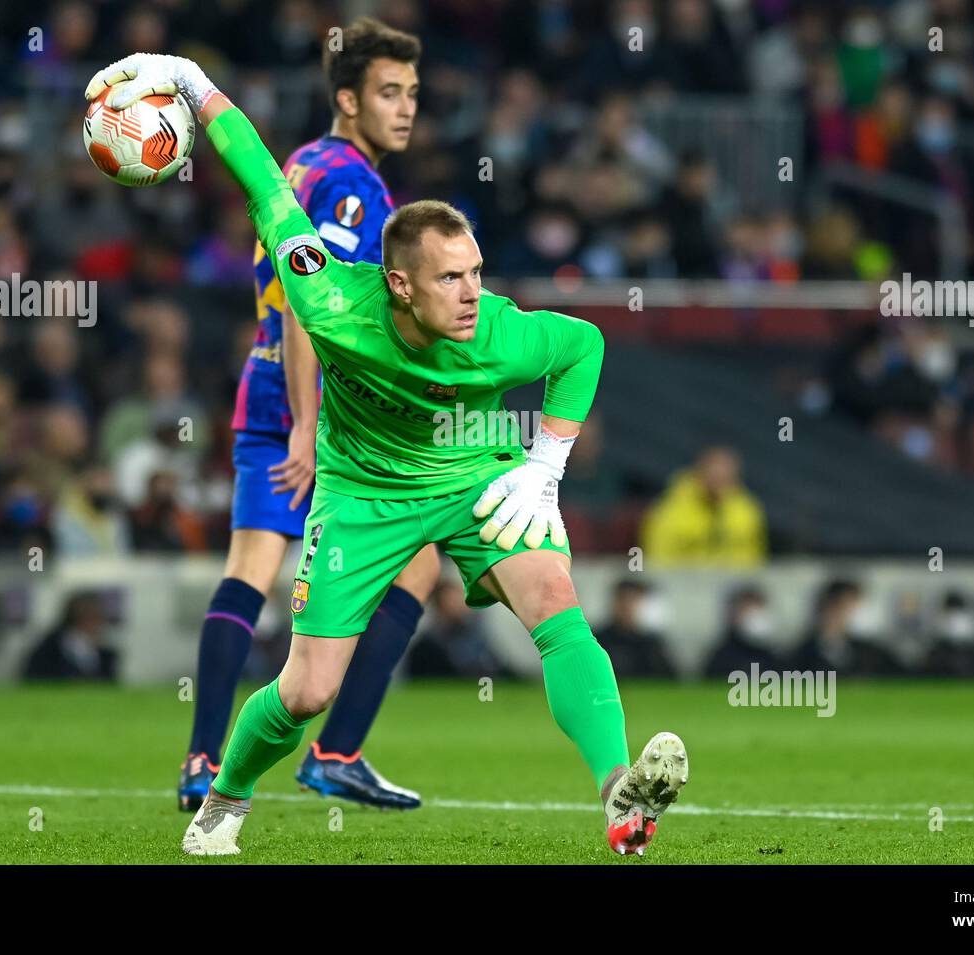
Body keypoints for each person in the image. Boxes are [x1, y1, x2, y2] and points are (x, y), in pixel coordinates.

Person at [84, 51, 688, 858]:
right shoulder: (332, 301)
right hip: (361, 497)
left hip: (474, 474)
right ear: (399, 285)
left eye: (476, 273)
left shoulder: (501, 332)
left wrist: (545, 466)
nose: (474, 293)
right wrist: (193, 84)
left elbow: (584, 344)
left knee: (554, 602)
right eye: (451, 279)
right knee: (305, 691)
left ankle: (618, 792)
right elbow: (265, 187)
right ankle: (223, 800)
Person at [173, 18, 439, 813]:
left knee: (251, 566)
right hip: (316, 400)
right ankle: (334, 751)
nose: (406, 109)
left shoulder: (303, 161)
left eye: (414, 94)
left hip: (260, 382)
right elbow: (305, 299)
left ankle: (201, 761)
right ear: (348, 98)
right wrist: (306, 420)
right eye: (390, 93)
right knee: (420, 562)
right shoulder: (354, 185)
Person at [641, 445, 767, 567]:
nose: (719, 486)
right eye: (714, 477)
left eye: (725, 479)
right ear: (700, 474)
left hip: (733, 583)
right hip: (683, 583)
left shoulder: (747, 511)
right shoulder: (671, 510)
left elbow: (754, 558)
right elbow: (659, 558)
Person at [593, 579, 676, 679]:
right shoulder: (597, 640)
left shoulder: (651, 644)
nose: (627, 606)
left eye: (632, 601)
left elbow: (671, 679)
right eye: (623, 600)